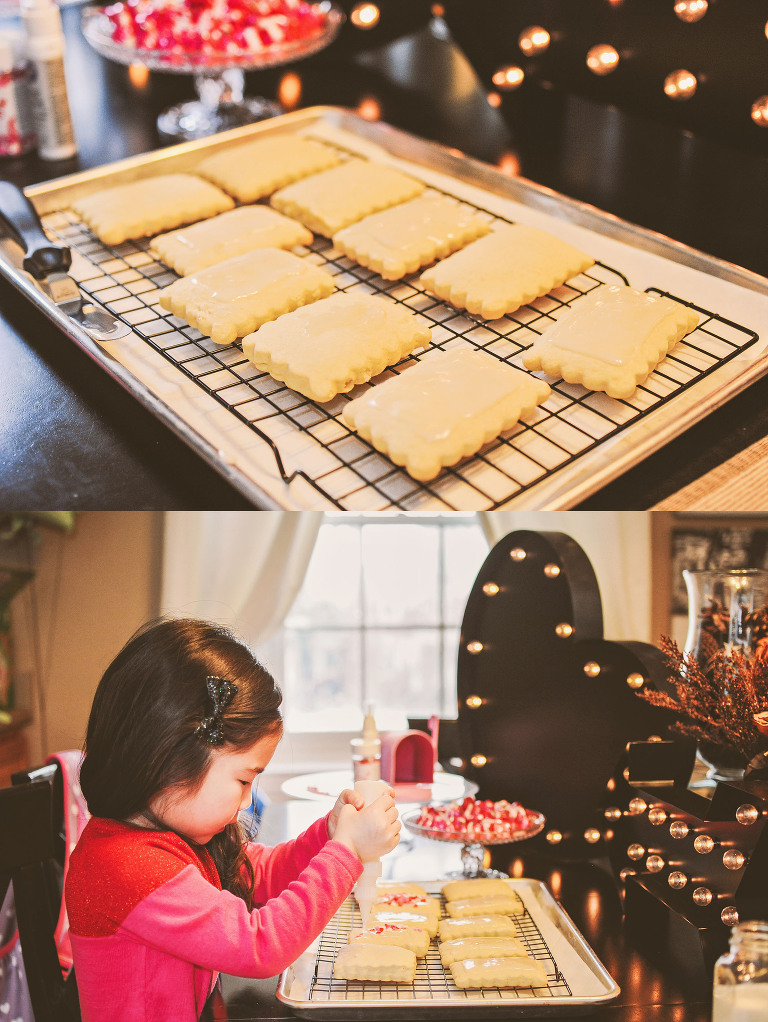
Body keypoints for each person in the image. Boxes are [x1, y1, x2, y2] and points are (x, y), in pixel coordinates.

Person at [65, 617, 400, 1022]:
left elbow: (264, 874)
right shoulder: (126, 866)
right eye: (243, 780)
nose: (246, 801)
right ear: (173, 758)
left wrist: (328, 836)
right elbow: (259, 946)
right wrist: (345, 852)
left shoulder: (173, 835)